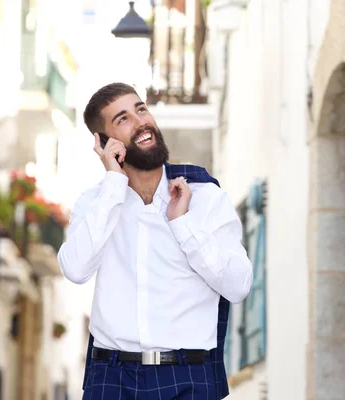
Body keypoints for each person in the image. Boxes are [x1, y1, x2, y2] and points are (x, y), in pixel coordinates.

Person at [57, 82, 253, 399]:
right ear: (106, 143)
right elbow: (75, 269)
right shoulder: (96, 204)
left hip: (189, 377)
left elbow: (238, 285)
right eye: (123, 119)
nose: (141, 122)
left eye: (141, 109)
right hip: (112, 379)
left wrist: (183, 224)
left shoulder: (205, 197)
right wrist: (113, 186)